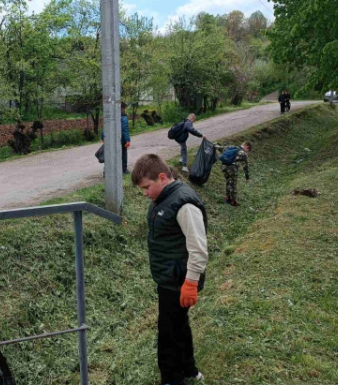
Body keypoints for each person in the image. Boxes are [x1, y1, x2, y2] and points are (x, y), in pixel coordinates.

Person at [131, 154, 208, 385]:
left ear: (162, 177)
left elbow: (198, 249)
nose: (145, 193)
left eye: (146, 187)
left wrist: (191, 282)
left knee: (168, 333)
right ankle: (189, 371)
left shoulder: (183, 204)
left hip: (179, 280)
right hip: (169, 277)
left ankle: (172, 379)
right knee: (178, 325)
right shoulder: (163, 198)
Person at [215, 141, 252, 207]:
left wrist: (215, 145)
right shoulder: (243, 154)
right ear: (247, 147)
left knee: (228, 182)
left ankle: (227, 198)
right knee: (233, 184)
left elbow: (220, 148)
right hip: (232, 169)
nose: (247, 152)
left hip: (224, 167)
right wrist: (247, 177)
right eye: (248, 150)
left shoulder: (231, 147)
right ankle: (233, 201)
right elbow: (245, 166)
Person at [101, 101, 131, 174]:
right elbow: (124, 129)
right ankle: (123, 170)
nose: (124, 110)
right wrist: (127, 140)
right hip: (121, 140)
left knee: (110, 155)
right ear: (121, 109)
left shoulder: (110, 116)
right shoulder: (123, 117)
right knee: (123, 154)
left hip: (110, 140)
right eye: (124, 108)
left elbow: (106, 128)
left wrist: (103, 137)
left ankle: (107, 171)